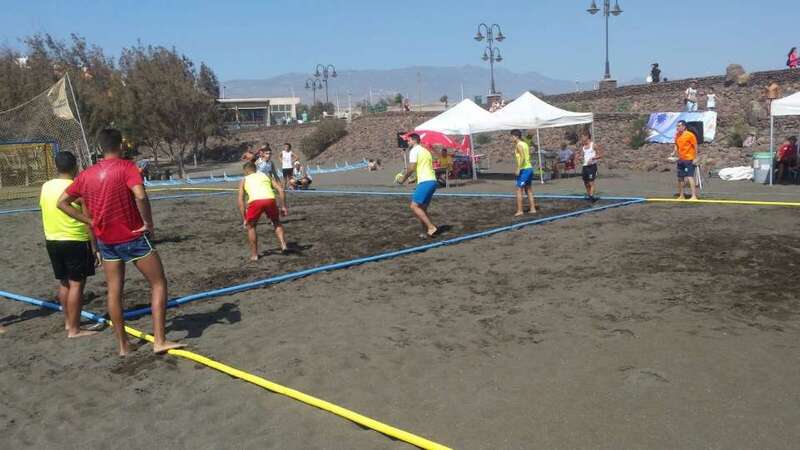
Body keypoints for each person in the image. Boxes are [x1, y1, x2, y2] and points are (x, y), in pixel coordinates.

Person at [57, 128, 185, 356]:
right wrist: (148, 223)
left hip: (106, 240)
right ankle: (159, 340)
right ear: (121, 145)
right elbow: (140, 195)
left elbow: (62, 202)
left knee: (114, 291)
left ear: (100, 148)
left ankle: (123, 345)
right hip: (133, 236)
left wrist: (90, 221)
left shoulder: (86, 174)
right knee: (158, 283)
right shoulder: (127, 167)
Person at [40, 151, 100, 339]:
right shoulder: (77, 187)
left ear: (56, 166)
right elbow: (88, 220)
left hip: (52, 240)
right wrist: (95, 248)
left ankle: (69, 322)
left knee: (64, 283)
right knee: (76, 285)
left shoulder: (46, 186)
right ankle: (74, 329)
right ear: (75, 166)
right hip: (74, 240)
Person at [238, 161, 289, 260]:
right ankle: (283, 245)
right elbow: (280, 190)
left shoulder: (244, 179)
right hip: (270, 199)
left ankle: (254, 255)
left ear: (245, 171)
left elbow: (240, 201)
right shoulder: (266, 176)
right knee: (276, 222)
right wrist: (283, 206)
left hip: (255, 202)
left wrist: (244, 218)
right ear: (255, 169)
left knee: (251, 227)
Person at [397, 133, 438, 238]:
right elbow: (424, 167)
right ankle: (425, 232)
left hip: (425, 182)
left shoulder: (414, 150)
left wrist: (403, 179)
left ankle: (431, 227)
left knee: (414, 206)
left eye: (409, 140)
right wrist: (415, 179)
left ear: (414, 140)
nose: (407, 142)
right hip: (432, 181)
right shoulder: (425, 151)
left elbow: (411, 168)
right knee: (422, 208)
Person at [511, 130, 536, 216]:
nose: (511, 138)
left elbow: (522, 157)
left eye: (512, 136)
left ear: (516, 136)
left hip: (524, 170)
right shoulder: (525, 144)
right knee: (528, 189)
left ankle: (520, 210)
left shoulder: (519, 145)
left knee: (519, 189)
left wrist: (518, 168)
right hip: (529, 168)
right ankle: (532, 209)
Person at [673, 120, 699, 200]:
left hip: (689, 159)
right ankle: (681, 195)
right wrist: (674, 152)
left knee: (690, 176)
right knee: (680, 177)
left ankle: (694, 196)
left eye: (679, 126)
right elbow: (676, 144)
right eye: (677, 126)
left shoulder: (690, 135)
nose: (677, 128)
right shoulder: (677, 135)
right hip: (681, 159)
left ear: (684, 127)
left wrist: (695, 158)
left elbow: (695, 146)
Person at [579, 130, 603, 202]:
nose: (581, 138)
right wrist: (580, 158)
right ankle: (590, 196)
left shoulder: (593, 145)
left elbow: (600, 155)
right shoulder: (583, 147)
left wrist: (593, 158)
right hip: (585, 166)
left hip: (592, 166)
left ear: (587, 137)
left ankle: (592, 197)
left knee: (591, 182)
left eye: (582, 137)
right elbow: (582, 156)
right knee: (586, 183)